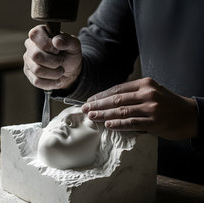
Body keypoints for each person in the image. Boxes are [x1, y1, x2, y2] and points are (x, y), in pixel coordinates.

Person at [23, 0, 204, 184]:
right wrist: (76, 71)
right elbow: (108, 42)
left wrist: (197, 115)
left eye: (92, 123)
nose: (70, 120)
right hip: (158, 179)